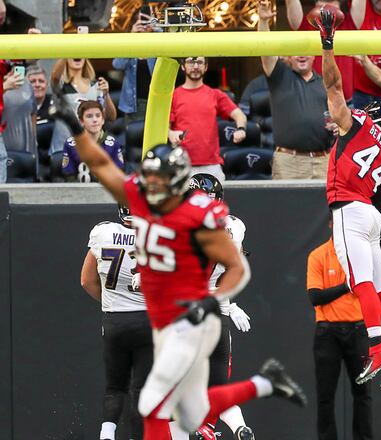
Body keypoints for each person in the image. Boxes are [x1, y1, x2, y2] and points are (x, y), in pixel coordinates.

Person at [49, 93, 307, 440]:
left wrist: (215, 302)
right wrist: (78, 131)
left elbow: (237, 268)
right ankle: (262, 384)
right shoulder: (141, 201)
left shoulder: (200, 218)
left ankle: (254, 390)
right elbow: (102, 167)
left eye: (162, 177)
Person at [317, 7, 381, 388]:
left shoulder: (359, 123)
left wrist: (328, 46)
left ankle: (378, 349)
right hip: (370, 213)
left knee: (363, 286)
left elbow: (333, 88)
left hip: (350, 211)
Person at [188, 174, 255, 440]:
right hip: (219, 309)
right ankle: (235, 428)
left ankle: (205, 428)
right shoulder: (234, 227)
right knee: (217, 383)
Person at [80, 205, 152, 440]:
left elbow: (86, 280)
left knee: (115, 386)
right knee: (140, 390)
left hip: (114, 320)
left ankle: (107, 434)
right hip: (147, 320)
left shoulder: (103, 232)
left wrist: (111, 302)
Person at [307, 218, 372, 440]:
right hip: (328, 333)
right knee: (325, 395)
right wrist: (346, 286)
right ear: (330, 225)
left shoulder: (361, 254)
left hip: (358, 329)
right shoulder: (318, 255)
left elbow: (369, 291)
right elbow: (315, 297)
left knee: (363, 393)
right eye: (338, 223)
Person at [257, 1, 335, 180]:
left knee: (325, 208)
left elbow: (337, 115)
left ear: (314, 55)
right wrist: (263, 21)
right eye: (296, 51)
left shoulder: (325, 81)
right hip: (289, 162)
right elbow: (265, 49)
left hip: (323, 160)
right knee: (286, 208)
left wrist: (337, 123)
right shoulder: (279, 75)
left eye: (306, 51)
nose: (301, 55)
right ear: (289, 56)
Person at [168, 56, 247, 182]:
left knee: (216, 202)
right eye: (191, 62)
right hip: (183, 165)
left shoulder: (215, 94)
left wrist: (241, 128)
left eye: (199, 62)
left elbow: (239, 115)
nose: (195, 66)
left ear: (206, 67)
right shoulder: (173, 96)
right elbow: (163, 126)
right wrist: (170, 133)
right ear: (183, 66)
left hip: (212, 166)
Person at [285, 0, 365, 102]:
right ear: (315, 4)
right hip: (313, 101)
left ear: (339, 5)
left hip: (345, 103)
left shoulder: (348, 23)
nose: (327, 7)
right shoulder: (305, 24)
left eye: (331, 2)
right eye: (322, 1)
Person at [49, 58, 117, 155]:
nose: (77, 56)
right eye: (73, 53)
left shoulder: (96, 85)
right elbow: (55, 77)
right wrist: (66, 49)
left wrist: (106, 94)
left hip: (90, 148)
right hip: (63, 147)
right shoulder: (62, 84)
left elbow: (111, 117)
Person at [112, 8, 157, 123]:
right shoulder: (130, 44)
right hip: (133, 105)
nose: (144, 25)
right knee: (133, 138)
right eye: (141, 21)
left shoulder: (158, 42)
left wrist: (157, 29)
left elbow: (171, 51)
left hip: (157, 102)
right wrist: (132, 36)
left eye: (147, 21)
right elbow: (117, 64)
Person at [62, 100, 124, 183]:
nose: (95, 120)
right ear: (81, 121)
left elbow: (119, 175)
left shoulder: (113, 144)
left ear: (103, 120)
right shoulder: (71, 144)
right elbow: (69, 177)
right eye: (89, 116)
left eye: (98, 116)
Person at [2, 63, 37, 159]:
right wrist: (4, 87)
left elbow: (33, 113)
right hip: (3, 150)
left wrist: (34, 140)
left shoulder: (25, 82)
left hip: (27, 151)